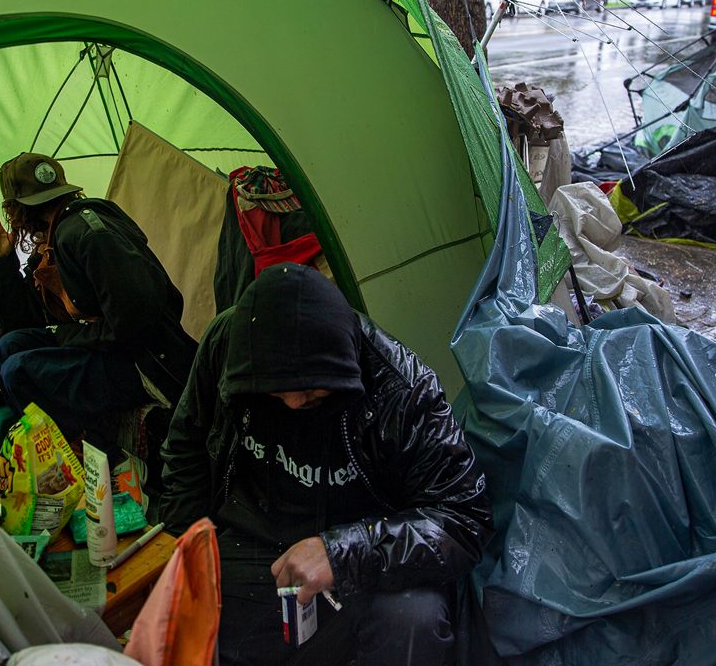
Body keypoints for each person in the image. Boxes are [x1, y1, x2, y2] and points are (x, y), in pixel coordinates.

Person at [159, 262, 493, 666]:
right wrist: (187, 548)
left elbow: (464, 520)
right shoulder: (228, 345)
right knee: (177, 627)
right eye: (275, 394)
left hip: (364, 545)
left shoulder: (400, 389)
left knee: (412, 620)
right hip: (250, 541)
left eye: (311, 392)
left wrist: (341, 553)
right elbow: (187, 449)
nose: (295, 404)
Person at [0, 152, 197, 458]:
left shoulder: (87, 235)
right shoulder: (55, 238)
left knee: (18, 370)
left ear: (17, 210)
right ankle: (57, 453)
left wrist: (65, 336)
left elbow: (137, 322)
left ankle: (93, 456)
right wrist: (3, 264)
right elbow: (27, 321)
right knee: (10, 346)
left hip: (143, 362)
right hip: (111, 347)